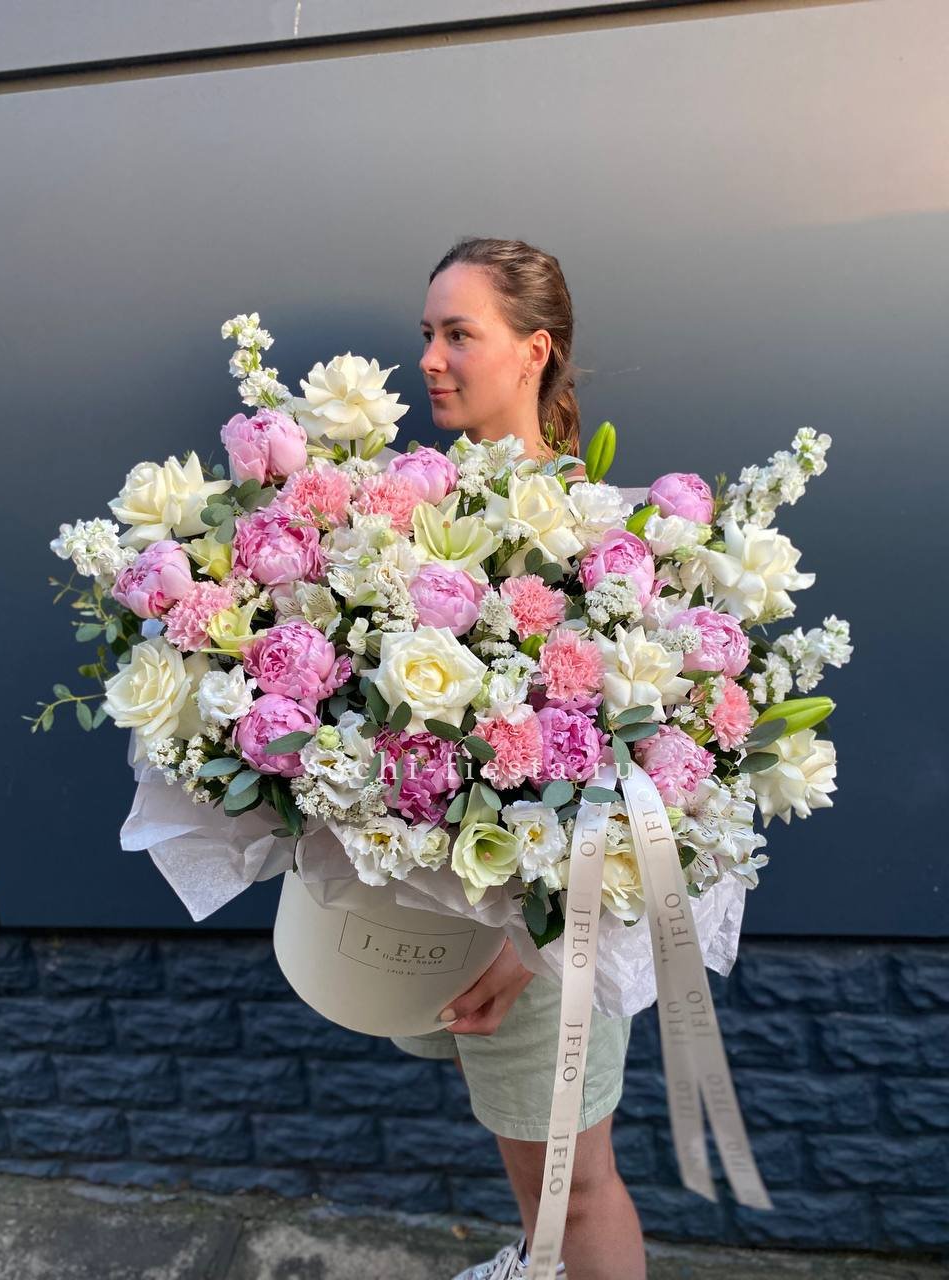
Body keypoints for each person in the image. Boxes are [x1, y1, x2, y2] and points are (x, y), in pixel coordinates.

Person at [390, 236, 648, 1280]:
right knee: (541, 1180)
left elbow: (642, 777)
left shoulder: (595, 537)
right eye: (427, 334)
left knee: (575, 1189)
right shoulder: (424, 510)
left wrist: (526, 947)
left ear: (534, 350)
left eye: (459, 333)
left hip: (544, 930)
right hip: (466, 918)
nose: (431, 358)